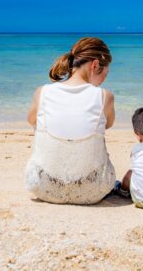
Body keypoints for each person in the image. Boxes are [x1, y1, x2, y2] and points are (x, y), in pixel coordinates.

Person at [24, 37, 116, 204]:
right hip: (93, 192)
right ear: (95, 65)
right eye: (105, 73)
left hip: (42, 187)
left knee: (40, 125)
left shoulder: (42, 92)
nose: (104, 79)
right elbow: (108, 124)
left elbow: (31, 120)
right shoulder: (104, 96)